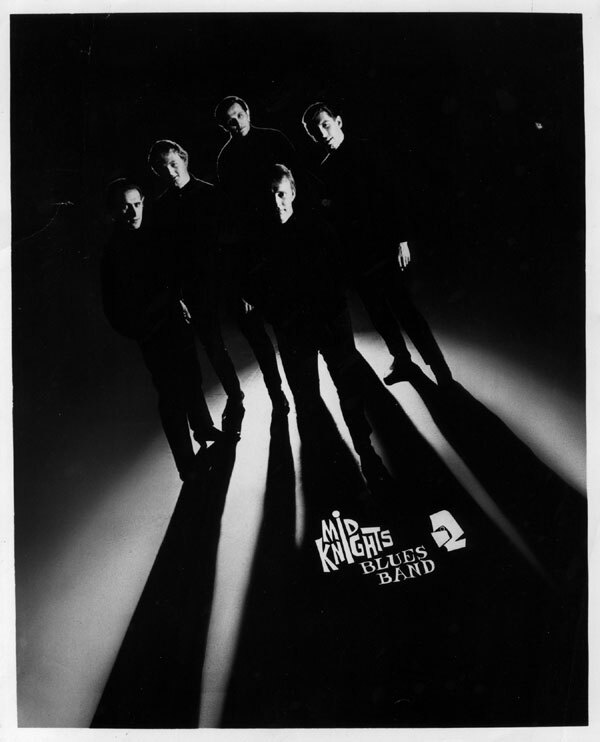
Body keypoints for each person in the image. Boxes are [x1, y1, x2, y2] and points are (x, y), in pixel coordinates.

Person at [243, 164, 384, 482]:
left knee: (347, 388)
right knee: (306, 398)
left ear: (292, 192)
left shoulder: (317, 228)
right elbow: (254, 288)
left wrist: (326, 312)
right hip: (293, 330)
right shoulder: (259, 241)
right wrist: (280, 317)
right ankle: (328, 465)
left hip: (329, 322)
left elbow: (339, 273)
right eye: (271, 195)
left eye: (281, 194)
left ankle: (365, 451)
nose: (276, 202)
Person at [301, 101, 453, 387]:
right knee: (379, 314)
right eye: (315, 131)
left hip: (385, 247)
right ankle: (402, 359)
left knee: (405, 310)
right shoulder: (326, 169)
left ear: (338, 121)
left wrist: (402, 240)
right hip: (358, 256)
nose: (322, 133)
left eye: (325, 125)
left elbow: (394, 195)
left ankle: (439, 367)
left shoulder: (367, 150)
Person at [101, 178, 222, 482]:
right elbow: (114, 309)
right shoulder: (113, 252)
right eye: (125, 207)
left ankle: (203, 427)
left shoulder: (153, 234)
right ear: (114, 211)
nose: (133, 212)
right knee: (171, 396)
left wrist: (178, 299)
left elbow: (170, 273)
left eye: (137, 204)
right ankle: (186, 465)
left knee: (192, 376)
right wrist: (141, 330)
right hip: (152, 333)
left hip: (175, 321)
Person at [148, 139, 244, 408]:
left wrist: (241, 285)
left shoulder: (210, 194)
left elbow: (233, 243)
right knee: (212, 346)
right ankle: (235, 396)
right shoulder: (161, 208)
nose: (170, 172)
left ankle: (276, 393)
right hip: (194, 289)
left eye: (173, 164)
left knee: (252, 336)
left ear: (184, 159)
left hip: (225, 281)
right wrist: (177, 296)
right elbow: (165, 259)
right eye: (162, 168)